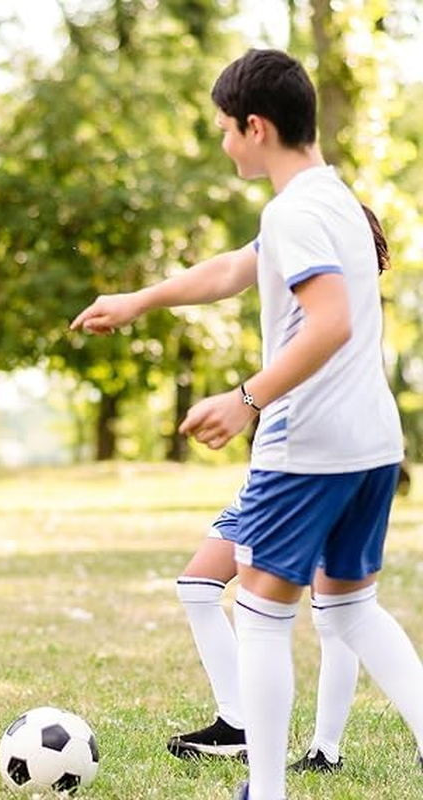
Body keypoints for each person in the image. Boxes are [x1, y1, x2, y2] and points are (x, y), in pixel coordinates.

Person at [72, 48, 423, 800]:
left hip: (307, 446)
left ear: (255, 127)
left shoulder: (293, 210)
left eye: (225, 129)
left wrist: (247, 398)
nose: (224, 143)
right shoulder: (329, 198)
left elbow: (328, 323)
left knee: (262, 617)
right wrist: (139, 300)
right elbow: (239, 267)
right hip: (369, 444)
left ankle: (264, 792)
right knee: (352, 607)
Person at [166, 204, 393, 772]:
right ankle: (238, 721)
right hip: (272, 469)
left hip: (317, 469)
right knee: (199, 584)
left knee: (336, 611)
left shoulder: (342, 312)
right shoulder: (297, 289)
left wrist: (244, 402)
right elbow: (229, 270)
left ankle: (325, 748)